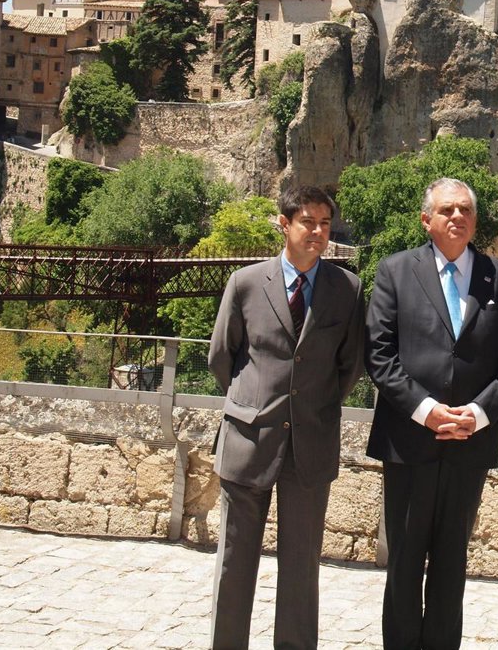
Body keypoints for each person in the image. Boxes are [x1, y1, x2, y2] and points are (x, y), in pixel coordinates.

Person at [365, 177, 498, 650]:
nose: (457, 216)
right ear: (426, 220)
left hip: (469, 444)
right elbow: (379, 355)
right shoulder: (395, 271)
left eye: (465, 210)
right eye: (447, 210)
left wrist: (478, 413)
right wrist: (426, 410)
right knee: (403, 561)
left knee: (452, 563)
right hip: (409, 441)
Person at [207, 184, 365, 650]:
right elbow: (222, 356)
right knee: (235, 561)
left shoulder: (347, 289)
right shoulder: (246, 283)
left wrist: (311, 407)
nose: (317, 232)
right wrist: (251, 404)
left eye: (324, 224)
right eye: (307, 222)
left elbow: (350, 365)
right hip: (248, 441)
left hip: (310, 445)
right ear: (284, 223)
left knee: (302, 568)